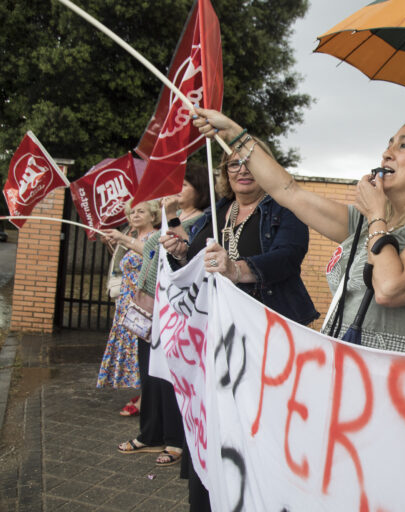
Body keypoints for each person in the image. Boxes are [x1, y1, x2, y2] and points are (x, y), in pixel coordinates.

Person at [191, 110, 405, 354]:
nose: (387, 152)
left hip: (392, 375)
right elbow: (289, 192)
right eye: (389, 144)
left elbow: (390, 288)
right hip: (345, 362)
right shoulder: (364, 222)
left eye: (404, 146)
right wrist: (235, 133)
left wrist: (376, 216)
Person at [161, 139, 318, 511]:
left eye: (250, 163)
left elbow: (288, 258)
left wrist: (239, 270)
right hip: (219, 335)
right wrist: (184, 252)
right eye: (233, 165)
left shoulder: (284, 209)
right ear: (224, 175)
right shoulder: (220, 210)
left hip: (268, 333)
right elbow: (198, 258)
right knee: (218, 421)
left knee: (258, 426)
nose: (242, 170)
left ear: (267, 169)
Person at [115, 163, 211, 466]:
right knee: (149, 372)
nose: (176, 190)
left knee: (170, 373)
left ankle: (175, 439)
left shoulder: (201, 221)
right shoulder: (176, 218)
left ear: (199, 189)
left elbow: (186, 254)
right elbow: (154, 254)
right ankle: (150, 433)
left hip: (176, 308)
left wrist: (169, 217)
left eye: (183, 184)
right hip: (150, 303)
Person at [96, 201, 158, 400]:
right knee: (131, 346)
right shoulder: (132, 237)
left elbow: (151, 255)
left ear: (153, 215)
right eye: (132, 212)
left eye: (141, 211)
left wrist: (123, 238)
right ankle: (142, 395)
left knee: (141, 347)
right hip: (125, 302)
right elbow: (122, 264)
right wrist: (112, 245)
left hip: (142, 302)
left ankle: (144, 398)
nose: (136, 215)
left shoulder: (153, 237)